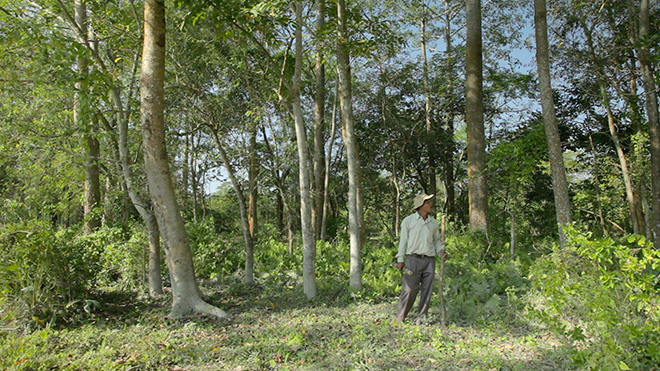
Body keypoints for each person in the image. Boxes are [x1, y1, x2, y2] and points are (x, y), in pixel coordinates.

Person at [394, 193, 446, 323]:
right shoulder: (409, 221)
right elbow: (403, 241)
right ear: (420, 206)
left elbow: (436, 241)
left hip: (429, 260)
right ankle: (401, 316)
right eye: (427, 202)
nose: (430, 205)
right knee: (410, 289)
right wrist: (400, 259)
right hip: (413, 259)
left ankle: (421, 318)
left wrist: (441, 251)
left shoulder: (433, 222)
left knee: (427, 290)